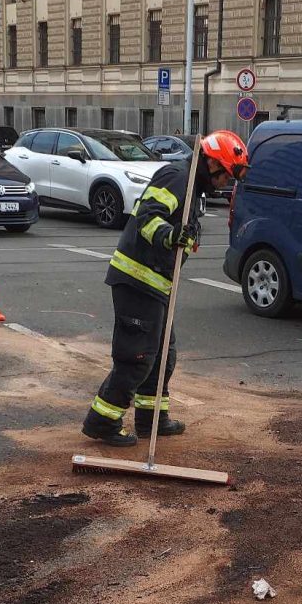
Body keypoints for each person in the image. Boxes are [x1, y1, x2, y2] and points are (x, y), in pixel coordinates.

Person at [81, 130, 249, 446]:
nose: (226, 182)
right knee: (138, 356)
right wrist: (170, 236)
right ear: (213, 163)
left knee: (162, 357)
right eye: (227, 174)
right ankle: (102, 421)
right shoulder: (178, 177)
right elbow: (147, 217)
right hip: (138, 280)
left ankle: (151, 420)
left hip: (156, 284)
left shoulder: (192, 186)